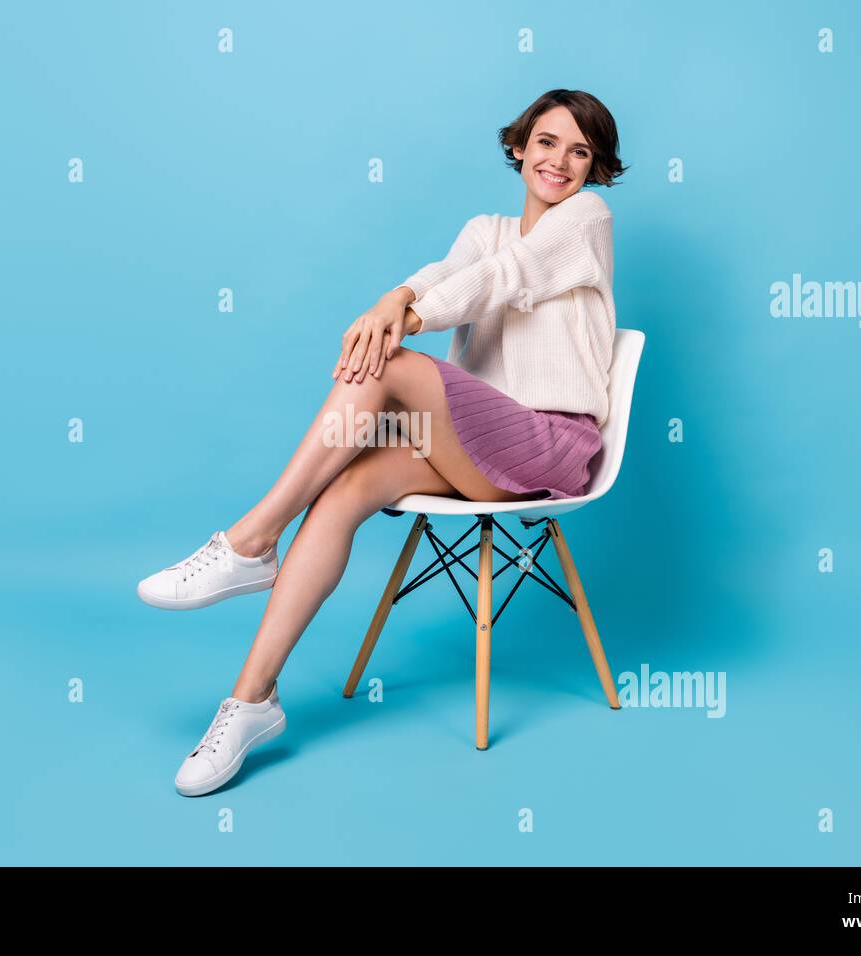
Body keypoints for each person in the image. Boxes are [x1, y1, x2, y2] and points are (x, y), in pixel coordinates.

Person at [138, 88, 627, 796]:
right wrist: (390, 300)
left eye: (579, 151)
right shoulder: (486, 227)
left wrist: (405, 318)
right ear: (519, 147)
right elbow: (442, 274)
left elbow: (504, 280)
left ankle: (249, 541)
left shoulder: (586, 220)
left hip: (550, 446)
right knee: (342, 490)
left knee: (390, 363)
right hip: (472, 446)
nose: (560, 161)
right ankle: (250, 704)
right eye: (547, 142)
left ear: (595, 168)